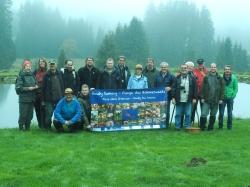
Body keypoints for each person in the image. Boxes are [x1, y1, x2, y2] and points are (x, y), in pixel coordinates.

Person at [200, 63, 224, 131]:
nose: (213, 68)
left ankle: (210, 127)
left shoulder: (220, 78)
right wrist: (202, 97)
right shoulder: (206, 77)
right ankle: (202, 127)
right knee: (204, 114)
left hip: (216, 100)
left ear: (216, 68)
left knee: (213, 114)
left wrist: (221, 99)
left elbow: (222, 89)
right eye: (212, 67)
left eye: (214, 67)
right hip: (207, 99)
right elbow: (202, 88)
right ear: (210, 68)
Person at [172, 64, 197, 130]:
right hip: (178, 99)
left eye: (185, 68)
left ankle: (187, 126)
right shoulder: (176, 78)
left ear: (187, 69)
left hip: (188, 99)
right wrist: (173, 98)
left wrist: (194, 98)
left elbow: (195, 89)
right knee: (178, 114)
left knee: (188, 114)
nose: (184, 69)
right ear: (180, 69)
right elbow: (173, 88)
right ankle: (177, 126)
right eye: (182, 68)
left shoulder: (192, 78)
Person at [15, 60, 38, 131]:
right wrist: (28, 88)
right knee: (23, 115)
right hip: (24, 100)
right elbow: (18, 88)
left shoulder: (32, 75)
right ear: (23, 67)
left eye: (29, 66)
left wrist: (36, 86)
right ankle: (21, 128)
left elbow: (35, 83)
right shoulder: (20, 76)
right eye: (26, 66)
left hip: (32, 99)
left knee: (30, 115)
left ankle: (28, 128)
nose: (28, 68)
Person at [42, 60, 64, 130]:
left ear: (56, 65)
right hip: (49, 99)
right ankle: (48, 128)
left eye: (53, 64)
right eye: (51, 65)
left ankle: (59, 128)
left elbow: (63, 85)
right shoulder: (46, 75)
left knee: (58, 115)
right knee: (48, 115)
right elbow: (43, 88)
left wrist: (63, 97)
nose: (52, 66)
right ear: (49, 65)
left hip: (59, 99)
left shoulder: (60, 73)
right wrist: (43, 100)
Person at [154, 62, 175, 127]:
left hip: (167, 97)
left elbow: (174, 85)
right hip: (158, 97)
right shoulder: (157, 75)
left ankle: (166, 124)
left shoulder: (171, 76)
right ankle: (159, 124)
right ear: (161, 68)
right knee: (158, 110)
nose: (164, 68)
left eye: (165, 67)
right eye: (162, 67)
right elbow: (154, 86)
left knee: (166, 111)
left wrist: (170, 87)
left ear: (167, 68)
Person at [218, 65, 238, 129]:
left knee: (229, 113)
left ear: (230, 70)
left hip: (230, 98)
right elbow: (218, 87)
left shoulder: (234, 78)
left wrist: (233, 96)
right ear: (224, 70)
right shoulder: (221, 77)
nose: (227, 70)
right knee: (221, 113)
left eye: (228, 69)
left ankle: (229, 126)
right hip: (222, 98)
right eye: (226, 69)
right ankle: (220, 126)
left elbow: (236, 88)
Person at [192, 59, 208, 124]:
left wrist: (205, 76)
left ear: (204, 64)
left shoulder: (207, 71)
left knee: (203, 110)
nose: (200, 65)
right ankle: (191, 122)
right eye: (199, 64)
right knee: (193, 109)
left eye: (201, 64)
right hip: (195, 93)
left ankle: (203, 124)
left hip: (203, 94)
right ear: (197, 64)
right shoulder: (194, 71)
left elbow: (209, 81)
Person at [33, 58, 47, 129]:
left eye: (43, 61)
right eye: (40, 62)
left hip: (45, 95)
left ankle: (45, 125)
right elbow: (32, 80)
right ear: (39, 63)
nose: (41, 63)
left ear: (45, 63)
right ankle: (40, 126)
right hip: (36, 94)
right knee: (37, 110)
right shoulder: (35, 71)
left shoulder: (47, 72)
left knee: (44, 111)